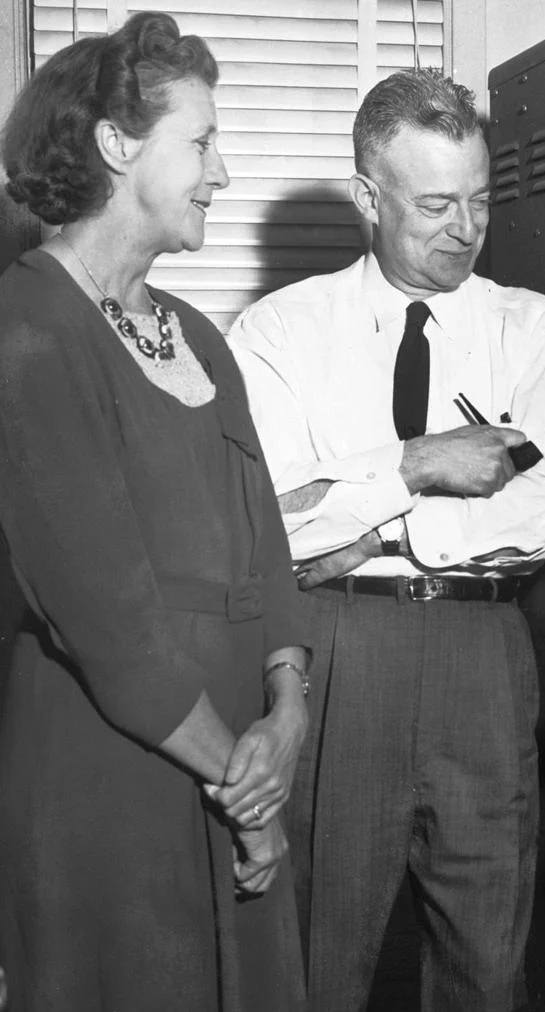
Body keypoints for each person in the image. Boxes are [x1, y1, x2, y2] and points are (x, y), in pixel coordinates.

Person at [227, 67, 545, 1011]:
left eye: (477, 201)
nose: (463, 229)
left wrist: (373, 520)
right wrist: (421, 466)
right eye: (434, 203)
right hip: (341, 650)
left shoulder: (528, 328)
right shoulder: (279, 334)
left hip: (483, 653)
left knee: (485, 958)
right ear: (367, 196)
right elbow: (273, 522)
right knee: (318, 950)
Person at [0, 13, 310, 1011]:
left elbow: (266, 545)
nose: (222, 175)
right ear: (116, 146)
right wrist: (246, 790)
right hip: (113, 779)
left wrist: (289, 712)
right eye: (204, 142)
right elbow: (109, 620)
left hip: (241, 760)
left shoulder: (197, 337)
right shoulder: (29, 328)